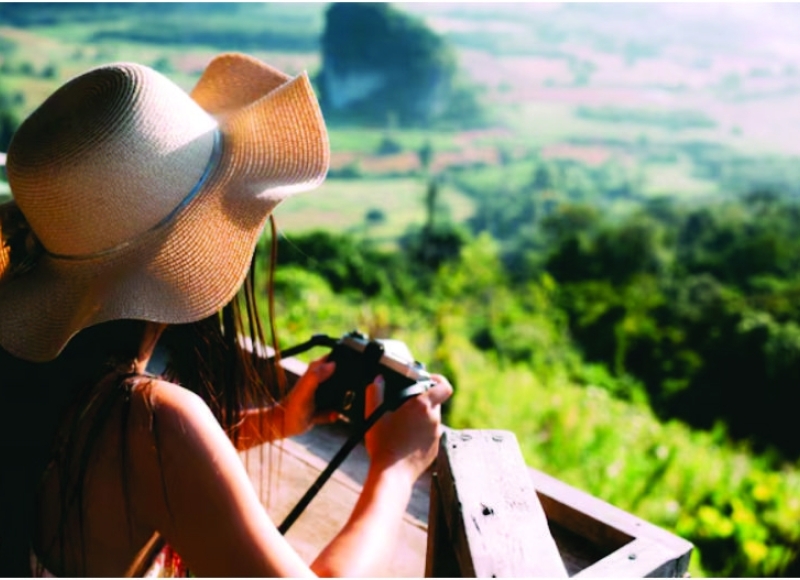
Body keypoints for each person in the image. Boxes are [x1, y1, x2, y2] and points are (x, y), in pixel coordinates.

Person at [0, 52, 452, 577]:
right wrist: (396, 468)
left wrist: (274, 423)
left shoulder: (50, 384)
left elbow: (142, 476)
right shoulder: (149, 423)